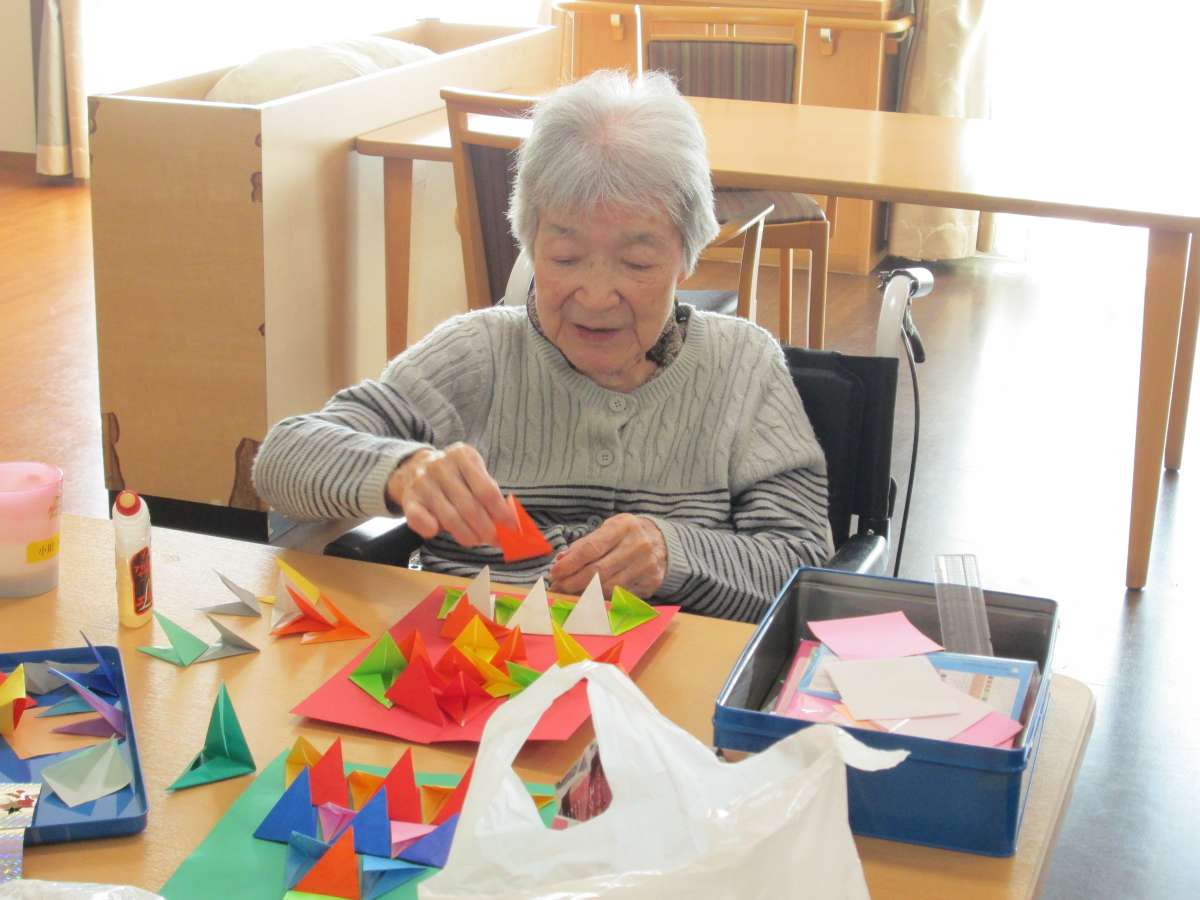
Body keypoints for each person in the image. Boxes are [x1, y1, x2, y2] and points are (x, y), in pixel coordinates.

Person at [253, 70, 832, 623]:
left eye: (637, 262)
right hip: (476, 677)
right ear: (530, 243)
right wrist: (403, 471)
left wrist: (672, 551)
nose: (597, 296)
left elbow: (805, 563)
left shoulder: (743, 367)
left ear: (687, 254)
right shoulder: (478, 355)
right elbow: (283, 459)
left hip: (675, 680)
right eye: (565, 258)